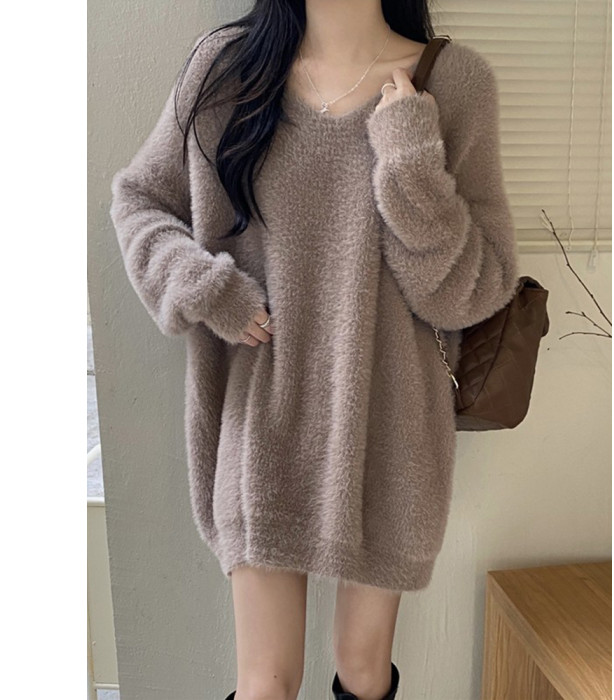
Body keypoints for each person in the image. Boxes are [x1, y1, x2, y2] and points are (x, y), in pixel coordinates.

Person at [109, 1, 520, 698]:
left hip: (391, 435)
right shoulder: (226, 71)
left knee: (363, 671)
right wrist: (207, 288)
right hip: (262, 422)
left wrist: (409, 156)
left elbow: (472, 293)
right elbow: (140, 202)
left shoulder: (453, 83)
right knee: (266, 683)